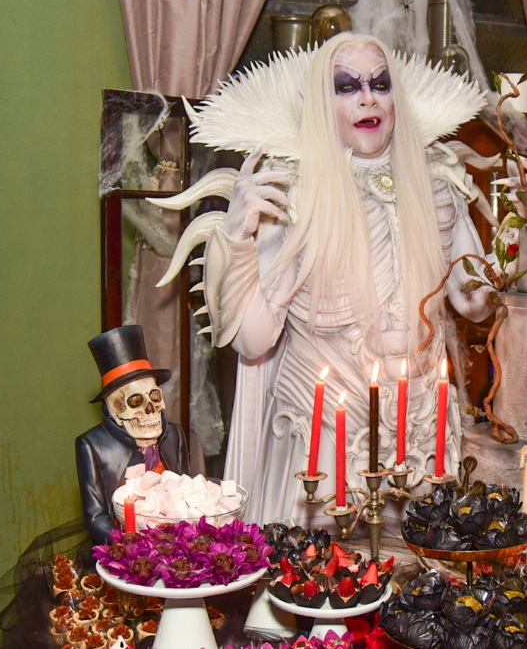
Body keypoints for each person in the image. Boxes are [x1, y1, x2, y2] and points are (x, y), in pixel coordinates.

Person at [156, 33, 493, 526]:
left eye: (380, 83)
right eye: (347, 86)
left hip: (421, 437)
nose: (367, 98)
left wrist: (517, 249)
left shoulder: (439, 185)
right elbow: (254, 340)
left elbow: (476, 303)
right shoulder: (295, 193)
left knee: (421, 570)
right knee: (318, 570)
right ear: (320, 101)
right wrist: (237, 235)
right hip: (323, 444)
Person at [76, 325, 189, 543]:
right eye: (135, 401)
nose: (151, 410)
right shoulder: (92, 445)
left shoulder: (175, 435)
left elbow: (187, 493)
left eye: (154, 397)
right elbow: (96, 518)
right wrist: (129, 547)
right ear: (114, 410)